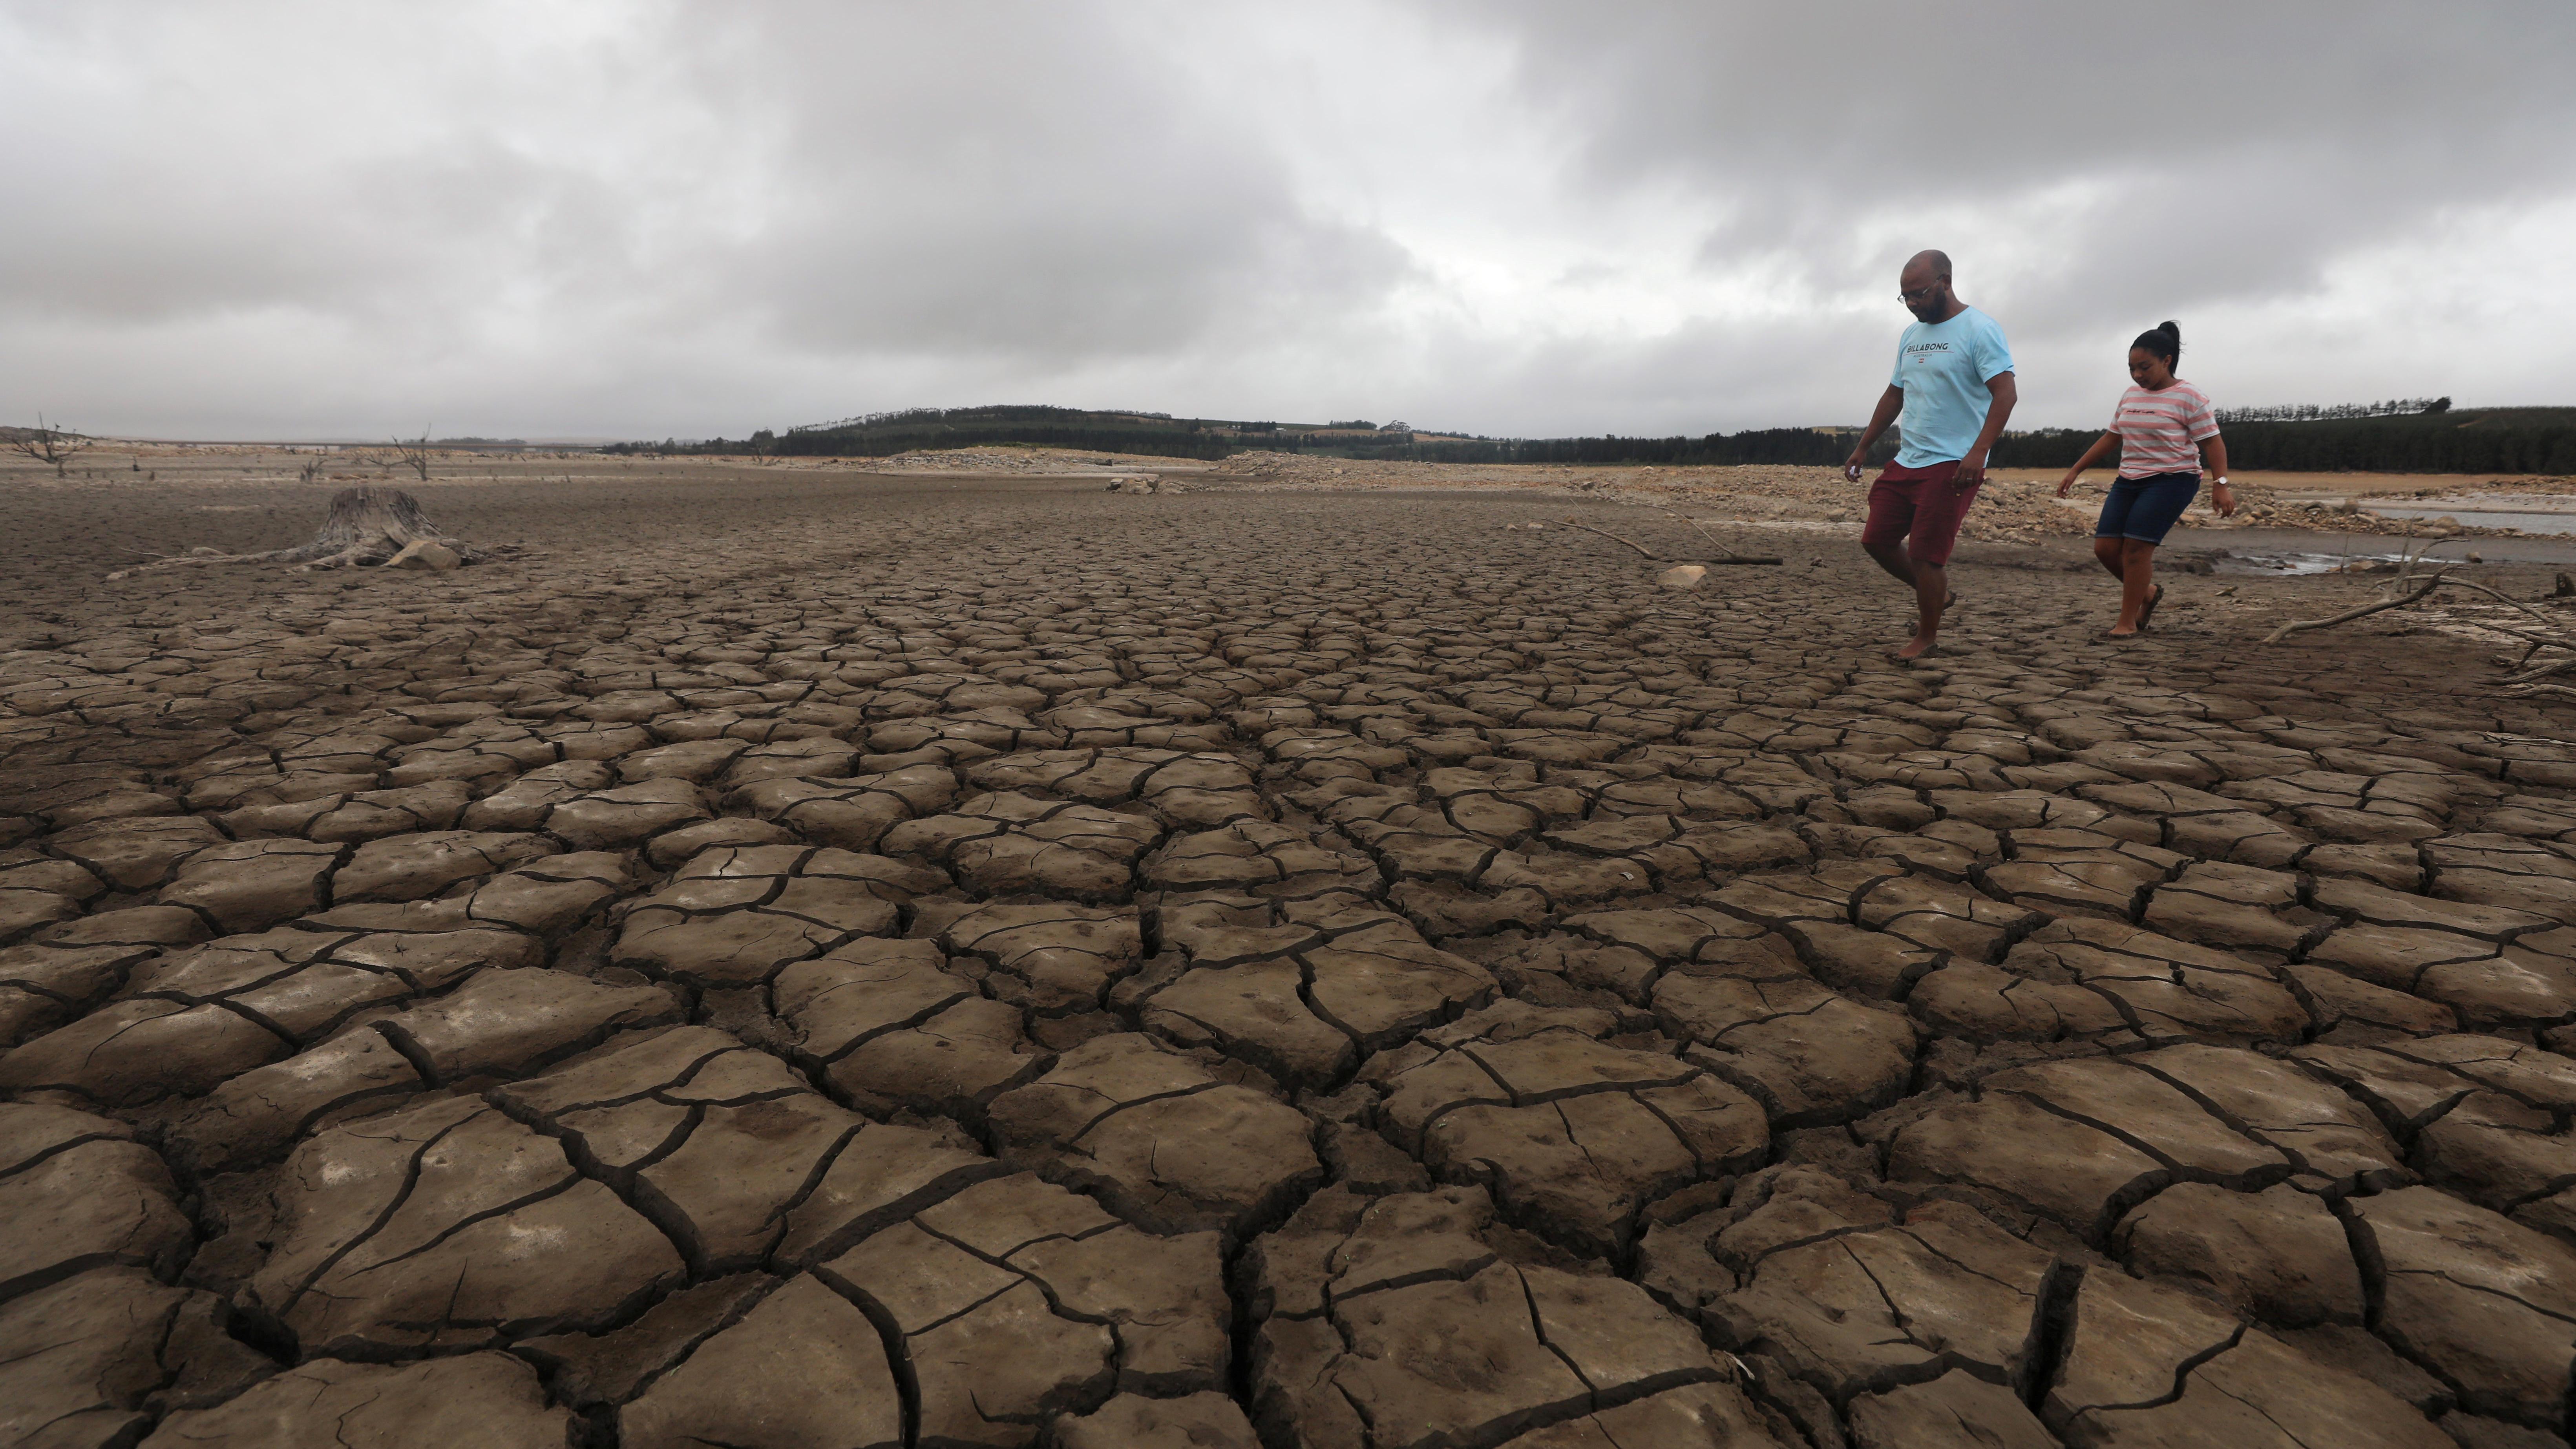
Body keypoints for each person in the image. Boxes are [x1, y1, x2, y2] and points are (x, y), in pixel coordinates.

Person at [1841, 250, 2017, 659]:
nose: (1913, 304)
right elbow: (1894, 395)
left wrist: (1978, 452)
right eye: (1904, 298)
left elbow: (2005, 394)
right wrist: (1864, 445)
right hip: (1909, 459)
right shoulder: (1910, 336)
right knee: (1877, 539)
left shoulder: (1979, 329)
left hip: (1953, 463)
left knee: (1925, 554)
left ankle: (1927, 636)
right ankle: (1937, 594)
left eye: (1918, 294)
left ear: (1944, 282)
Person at [2053, 322, 2235, 637]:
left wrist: (2220, 485)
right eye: (2132, 368)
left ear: (2167, 361)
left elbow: (2213, 443)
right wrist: (2076, 469)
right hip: (2129, 479)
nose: (2138, 375)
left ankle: (2127, 622)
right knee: (2106, 549)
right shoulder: (2130, 395)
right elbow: (2112, 437)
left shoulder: (2190, 396)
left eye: (2145, 367)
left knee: (2136, 549)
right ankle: (2147, 593)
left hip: (2173, 479)